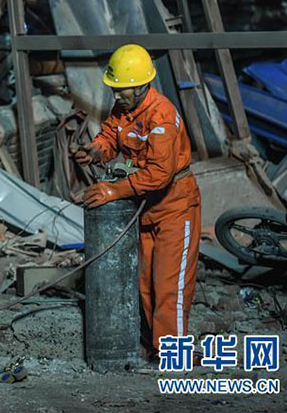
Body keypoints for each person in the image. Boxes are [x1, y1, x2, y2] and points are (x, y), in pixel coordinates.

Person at [74, 44, 201, 358]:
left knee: (170, 284)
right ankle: (155, 346)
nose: (116, 95)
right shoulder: (125, 110)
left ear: (142, 85)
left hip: (175, 206)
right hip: (144, 209)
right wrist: (97, 150)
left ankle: (175, 353)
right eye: (114, 89)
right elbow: (110, 135)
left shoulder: (163, 116)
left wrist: (113, 191)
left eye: (122, 90)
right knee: (144, 283)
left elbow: (159, 173)